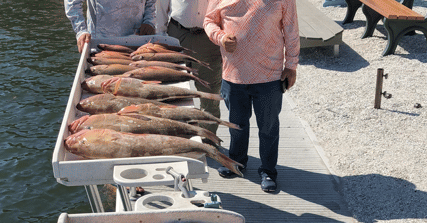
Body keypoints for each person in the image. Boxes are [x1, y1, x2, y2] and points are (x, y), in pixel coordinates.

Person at [204, 0, 299, 193]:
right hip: (234, 74)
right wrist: (221, 37)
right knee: (237, 124)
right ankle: (237, 162)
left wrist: (291, 65)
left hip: (269, 75)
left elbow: (291, 29)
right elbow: (209, 20)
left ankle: (268, 171)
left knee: (268, 127)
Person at [156, 0, 223, 135]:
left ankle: (208, 140)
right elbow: (161, 4)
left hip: (209, 38)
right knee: (171, 91)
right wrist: (160, 35)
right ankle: (173, 136)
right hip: (177, 34)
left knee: (210, 93)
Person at [64, 0, 157, 53]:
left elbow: (151, 2)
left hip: (138, 42)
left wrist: (149, 22)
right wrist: (81, 30)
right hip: (100, 44)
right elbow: (72, 3)